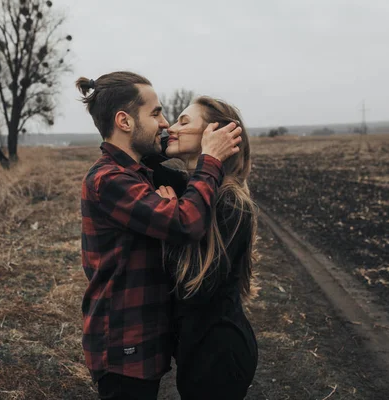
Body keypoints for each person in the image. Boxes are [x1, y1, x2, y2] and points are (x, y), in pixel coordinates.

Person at [76, 71, 242, 400]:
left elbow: (162, 162)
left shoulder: (138, 172)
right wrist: (210, 159)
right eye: (156, 113)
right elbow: (186, 224)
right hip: (124, 345)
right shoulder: (109, 179)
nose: (165, 123)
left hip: (142, 342)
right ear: (124, 121)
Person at [153, 96, 259, 399]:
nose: (170, 128)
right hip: (199, 347)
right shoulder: (196, 188)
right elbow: (150, 164)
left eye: (184, 122)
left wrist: (171, 226)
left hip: (219, 354)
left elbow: (198, 287)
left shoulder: (231, 202)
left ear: (214, 134)